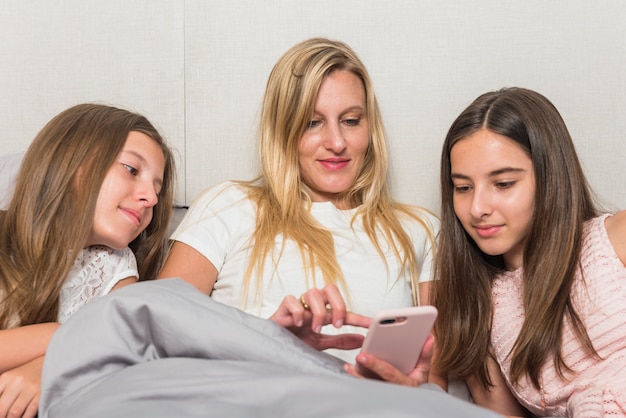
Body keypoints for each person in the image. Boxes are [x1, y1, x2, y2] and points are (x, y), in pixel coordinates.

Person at [158, 37, 438, 380]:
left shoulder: (419, 230)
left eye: (351, 120)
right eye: (312, 122)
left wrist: (408, 391)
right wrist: (268, 343)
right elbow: (156, 339)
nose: (336, 143)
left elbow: (435, 378)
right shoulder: (228, 206)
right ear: (283, 130)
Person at [430, 87, 626, 416]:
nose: (477, 207)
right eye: (463, 188)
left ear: (550, 177)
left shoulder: (613, 242)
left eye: (503, 183)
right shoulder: (479, 308)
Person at [0, 103, 176, 418]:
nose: (150, 197)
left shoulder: (114, 266)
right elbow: (94, 337)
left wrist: (50, 366)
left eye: (157, 190)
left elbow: (126, 343)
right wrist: (55, 337)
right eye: (131, 170)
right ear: (70, 162)